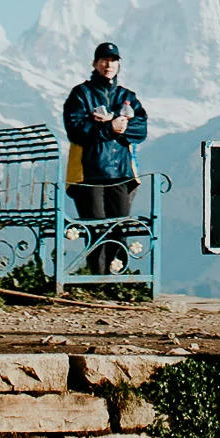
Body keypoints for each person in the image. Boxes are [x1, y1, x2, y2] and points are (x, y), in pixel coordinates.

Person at [63, 42, 148, 274]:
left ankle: (115, 278)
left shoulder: (126, 96)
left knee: (119, 228)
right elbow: (75, 128)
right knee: (95, 228)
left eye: (113, 60)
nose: (108, 64)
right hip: (87, 173)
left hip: (120, 173)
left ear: (118, 64)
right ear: (94, 63)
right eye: (103, 60)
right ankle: (98, 280)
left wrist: (121, 128)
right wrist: (110, 128)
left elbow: (141, 129)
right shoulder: (81, 94)